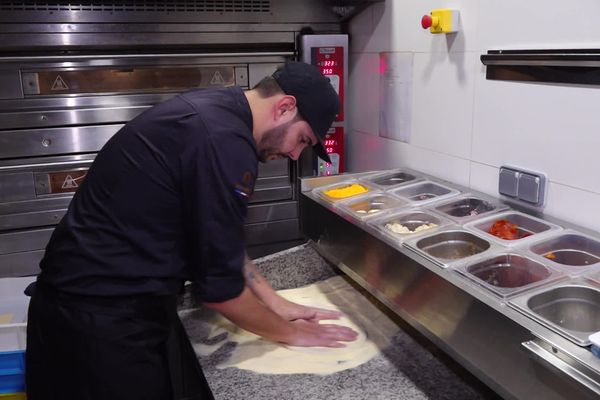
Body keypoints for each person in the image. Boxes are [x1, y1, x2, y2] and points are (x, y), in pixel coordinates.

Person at [25, 62, 358, 400]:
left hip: (83, 311)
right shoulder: (225, 142)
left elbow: (218, 236)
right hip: (97, 329)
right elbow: (221, 291)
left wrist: (275, 302)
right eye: (302, 139)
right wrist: (292, 334)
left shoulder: (218, 111)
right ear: (284, 107)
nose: (294, 153)